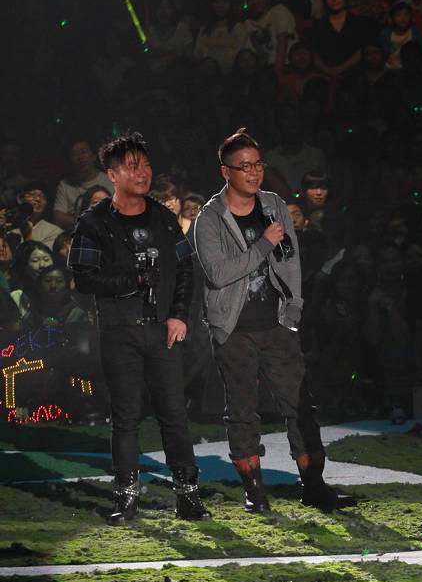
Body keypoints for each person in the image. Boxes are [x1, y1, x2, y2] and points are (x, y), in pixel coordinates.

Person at [190, 128, 352, 513]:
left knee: (300, 404)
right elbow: (218, 273)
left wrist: (293, 307)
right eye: (244, 166)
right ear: (226, 171)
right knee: (242, 410)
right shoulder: (209, 218)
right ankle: (254, 490)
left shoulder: (274, 204)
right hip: (234, 330)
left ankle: (313, 485)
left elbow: (290, 259)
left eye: (258, 164)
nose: (253, 172)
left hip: (277, 323)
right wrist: (263, 243)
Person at [67, 132, 209, 525]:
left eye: (145, 164)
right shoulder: (93, 222)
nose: (142, 172)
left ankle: (188, 496)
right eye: (132, 166)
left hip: (163, 331)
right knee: (126, 417)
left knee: (174, 414)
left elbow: (185, 269)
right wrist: (130, 281)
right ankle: (126, 499)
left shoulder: (163, 218)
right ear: (112, 174)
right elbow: (83, 279)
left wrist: (179, 315)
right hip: (119, 332)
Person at [52, 139, 114, 230]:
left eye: (84, 152)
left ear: (93, 156)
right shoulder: (65, 185)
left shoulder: (109, 181)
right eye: (75, 154)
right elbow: (58, 218)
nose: (80, 157)